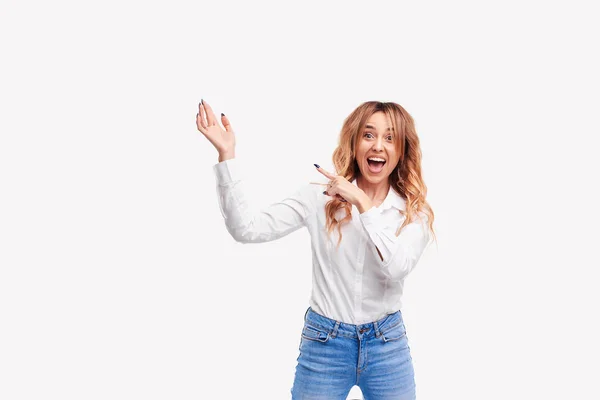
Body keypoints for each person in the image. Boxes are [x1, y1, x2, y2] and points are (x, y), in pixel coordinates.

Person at [196, 98, 436, 400]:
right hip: (325, 344)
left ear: (402, 150)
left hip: (387, 346)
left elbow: (396, 266)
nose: (378, 146)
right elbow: (247, 229)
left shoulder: (415, 213)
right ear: (355, 142)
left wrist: (362, 203)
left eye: (390, 137)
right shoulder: (318, 197)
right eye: (368, 135)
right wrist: (226, 154)